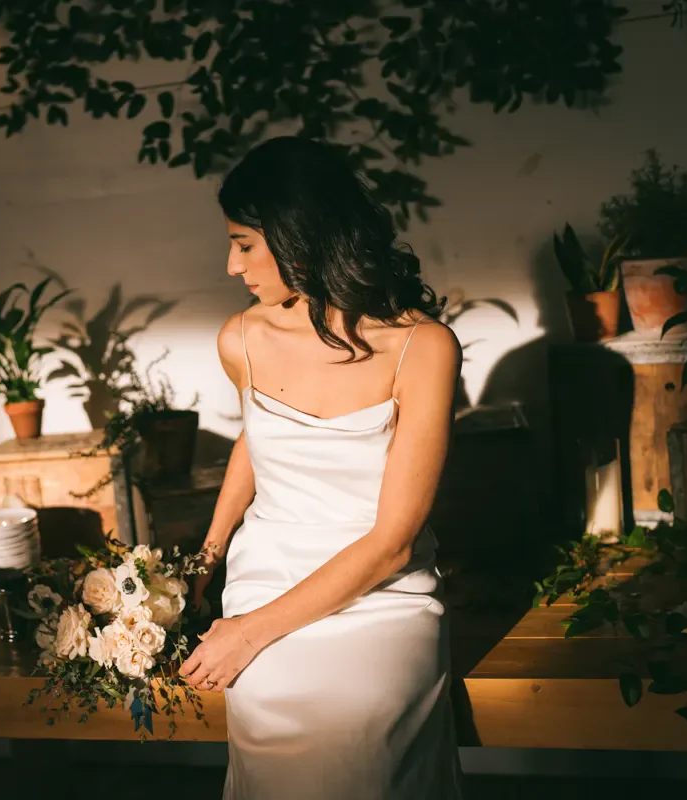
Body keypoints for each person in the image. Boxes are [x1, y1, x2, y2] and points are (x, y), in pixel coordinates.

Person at [178, 136, 464, 800]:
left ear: (296, 234)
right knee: (270, 697)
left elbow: (393, 543)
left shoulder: (422, 348)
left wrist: (245, 635)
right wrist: (206, 560)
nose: (229, 264)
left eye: (244, 243)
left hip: (382, 594)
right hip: (268, 570)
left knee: (356, 718)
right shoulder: (241, 339)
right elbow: (259, 440)